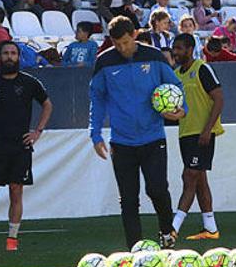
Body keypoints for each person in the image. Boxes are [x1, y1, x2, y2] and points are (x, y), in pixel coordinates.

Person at [89, 16, 186, 248]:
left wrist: (182, 110)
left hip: (153, 138)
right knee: (128, 200)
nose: (122, 48)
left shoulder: (154, 56)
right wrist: (95, 134)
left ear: (133, 34)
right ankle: (135, 249)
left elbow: (176, 86)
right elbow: (97, 98)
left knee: (157, 190)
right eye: (116, 44)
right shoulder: (104, 62)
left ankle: (166, 233)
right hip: (121, 142)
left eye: (125, 42)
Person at [0, 41, 53, 252]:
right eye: (6, 53)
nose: (10, 57)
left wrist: (38, 131)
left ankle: (12, 240)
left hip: (20, 146)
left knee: (16, 191)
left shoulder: (29, 82)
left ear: (18, 57)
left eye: (13, 53)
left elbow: (47, 104)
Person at [170, 33, 225, 240]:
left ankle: (173, 228)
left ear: (190, 49)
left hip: (202, 134)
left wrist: (207, 130)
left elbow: (219, 99)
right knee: (199, 179)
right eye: (174, 48)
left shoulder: (202, 68)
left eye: (179, 48)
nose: (175, 52)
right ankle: (210, 228)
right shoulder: (176, 74)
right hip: (185, 133)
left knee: (189, 176)